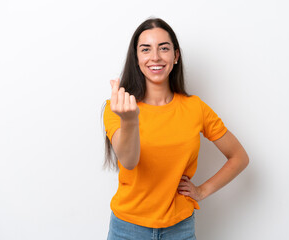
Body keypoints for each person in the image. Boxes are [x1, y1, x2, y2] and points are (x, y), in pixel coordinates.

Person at [103, 18, 249, 240]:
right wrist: (130, 120)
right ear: (136, 58)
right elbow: (129, 161)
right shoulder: (119, 107)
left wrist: (202, 191)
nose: (155, 57)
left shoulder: (195, 108)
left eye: (164, 48)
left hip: (179, 229)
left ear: (176, 56)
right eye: (146, 49)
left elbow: (239, 157)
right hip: (127, 229)